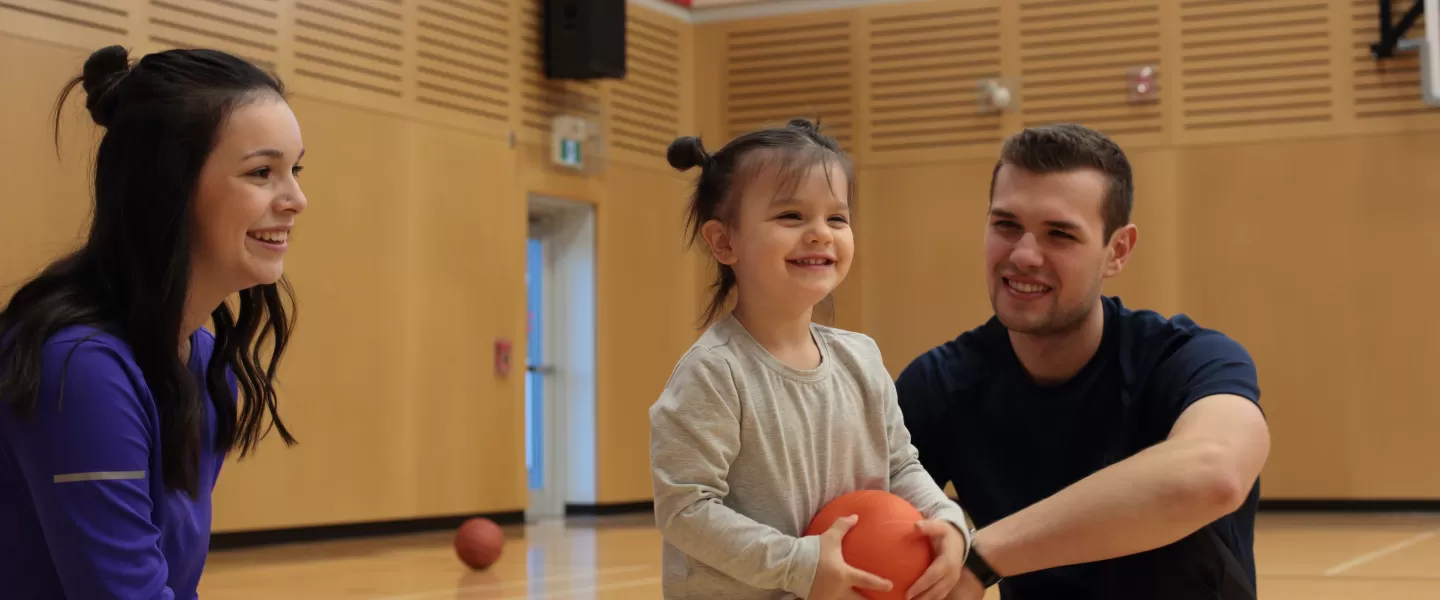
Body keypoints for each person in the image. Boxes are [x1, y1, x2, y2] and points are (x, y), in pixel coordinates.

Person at [895, 123, 1270, 600]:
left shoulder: (1189, 358)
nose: (1025, 254)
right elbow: (872, 513)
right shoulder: (941, 384)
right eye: (1006, 225)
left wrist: (984, 556)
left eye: (1060, 234)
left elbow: (1214, 474)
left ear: (1117, 251)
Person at [0, 45, 307, 598]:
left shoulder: (206, 362)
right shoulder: (80, 369)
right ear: (170, 187)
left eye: (295, 170)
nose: (297, 199)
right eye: (263, 172)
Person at [649, 119, 974, 600]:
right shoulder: (715, 373)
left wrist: (946, 521)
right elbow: (685, 510)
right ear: (724, 243)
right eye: (791, 216)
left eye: (836, 218)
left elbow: (901, 466)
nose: (820, 234)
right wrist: (799, 564)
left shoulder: (860, 358)